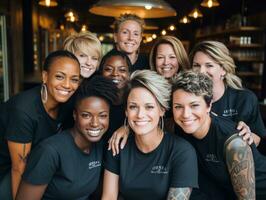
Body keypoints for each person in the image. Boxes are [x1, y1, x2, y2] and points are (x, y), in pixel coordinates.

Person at [16, 76, 118, 200]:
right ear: (75, 115)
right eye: (86, 115)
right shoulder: (50, 151)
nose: (95, 123)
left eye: (102, 116)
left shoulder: (100, 146)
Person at [102, 70, 198, 200]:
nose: (140, 114)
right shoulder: (117, 146)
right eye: (133, 107)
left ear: (162, 110)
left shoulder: (182, 152)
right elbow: (109, 197)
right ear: (126, 111)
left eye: (149, 107)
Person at [172, 70, 266, 200]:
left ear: (209, 106)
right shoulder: (180, 128)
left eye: (194, 105)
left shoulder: (234, 144)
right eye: (178, 107)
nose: (186, 114)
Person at [0, 50, 81, 199]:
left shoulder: (69, 103)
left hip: (35, 164)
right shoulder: (24, 110)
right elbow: (18, 168)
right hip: (7, 168)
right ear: (45, 76)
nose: (67, 85)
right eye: (59, 77)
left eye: (74, 79)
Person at [189, 40, 266, 154]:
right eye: (196, 65)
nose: (201, 71)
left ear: (223, 70)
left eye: (209, 65)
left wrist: (247, 136)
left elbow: (260, 139)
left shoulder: (245, 99)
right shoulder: (188, 99)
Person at [98, 49, 132, 142]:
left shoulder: (135, 101)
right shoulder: (95, 100)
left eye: (122, 70)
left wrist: (128, 128)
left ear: (129, 74)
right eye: (108, 69)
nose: (115, 74)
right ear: (101, 73)